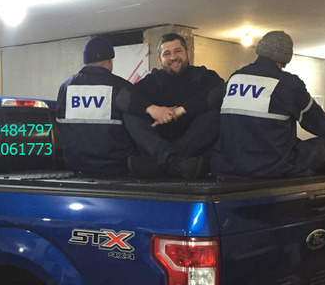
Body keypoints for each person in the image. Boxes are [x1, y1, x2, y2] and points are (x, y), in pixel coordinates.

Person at [210, 30, 325, 179]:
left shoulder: (235, 78)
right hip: (272, 167)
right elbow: (315, 119)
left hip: (228, 165)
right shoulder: (288, 84)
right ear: (286, 59)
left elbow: (213, 102)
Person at [118, 33, 225, 178]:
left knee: (216, 113)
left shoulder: (203, 75)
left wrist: (181, 110)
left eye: (178, 51)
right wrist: (152, 109)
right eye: (167, 54)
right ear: (159, 60)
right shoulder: (152, 80)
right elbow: (123, 98)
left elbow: (220, 91)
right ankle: (173, 162)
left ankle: (163, 163)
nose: (173, 57)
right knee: (130, 115)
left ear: (187, 53)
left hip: (192, 145)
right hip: (165, 146)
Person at [56, 35, 137, 176]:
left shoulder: (66, 86)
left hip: (76, 167)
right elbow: (135, 129)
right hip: (115, 168)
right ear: (110, 61)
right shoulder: (121, 87)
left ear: (86, 62)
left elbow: (60, 125)